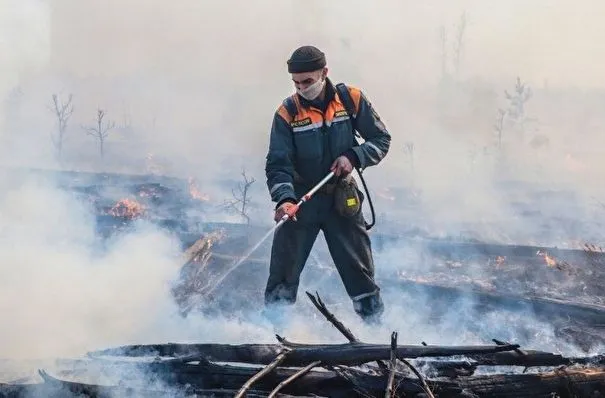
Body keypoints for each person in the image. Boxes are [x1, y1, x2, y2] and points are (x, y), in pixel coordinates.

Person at [263, 45, 391, 323]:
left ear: (324, 73)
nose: (301, 88)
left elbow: (381, 141)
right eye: (296, 83)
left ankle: (376, 333)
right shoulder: (286, 113)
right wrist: (284, 200)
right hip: (301, 203)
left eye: (307, 81)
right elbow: (277, 164)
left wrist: (354, 157)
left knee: (360, 271)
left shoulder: (351, 100)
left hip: (342, 200)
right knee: (283, 273)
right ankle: (273, 333)